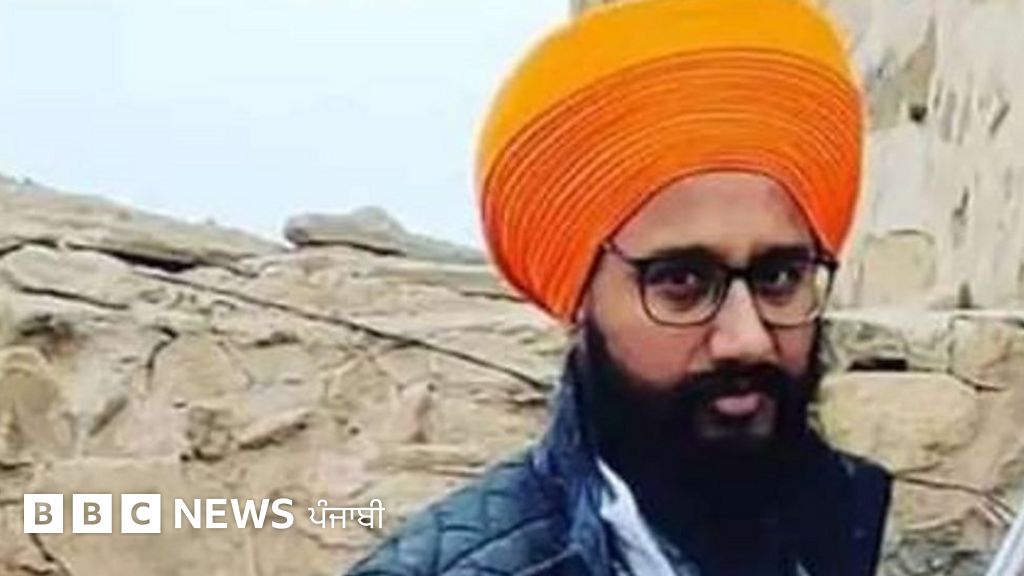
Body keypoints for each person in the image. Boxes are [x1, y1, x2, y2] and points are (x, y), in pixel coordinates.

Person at [346, 0, 892, 574]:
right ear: (580, 299)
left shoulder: (849, 530)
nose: (747, 339)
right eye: (681, 282)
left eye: (779, 278)